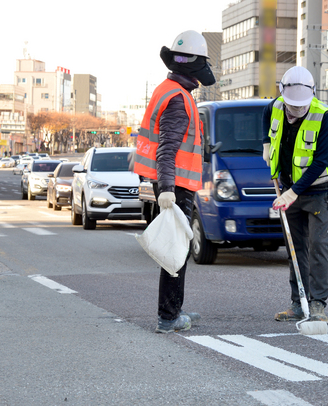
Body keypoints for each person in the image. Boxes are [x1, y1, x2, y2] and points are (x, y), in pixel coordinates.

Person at [134, 30, 215, 333]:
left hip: (173, 184)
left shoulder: (167, 89)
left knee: (177, 250)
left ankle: (173, 309)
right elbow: (167, 149)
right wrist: (167, 189)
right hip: (176, 186)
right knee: (175, 250)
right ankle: (168, 316)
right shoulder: (179, 99)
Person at [262, 66, 328, 323]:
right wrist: (265, 143)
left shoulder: (325, 116)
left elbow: (319, 162)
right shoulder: (276, 106)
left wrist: (293, 192)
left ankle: (317, 304)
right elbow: (265, 114)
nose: (296, 110)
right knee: (295, 249)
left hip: (320, 189)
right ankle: (299, 302)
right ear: (283, 95)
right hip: (287, 186)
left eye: (300, 106)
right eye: (291, 106)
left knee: (318, 245)